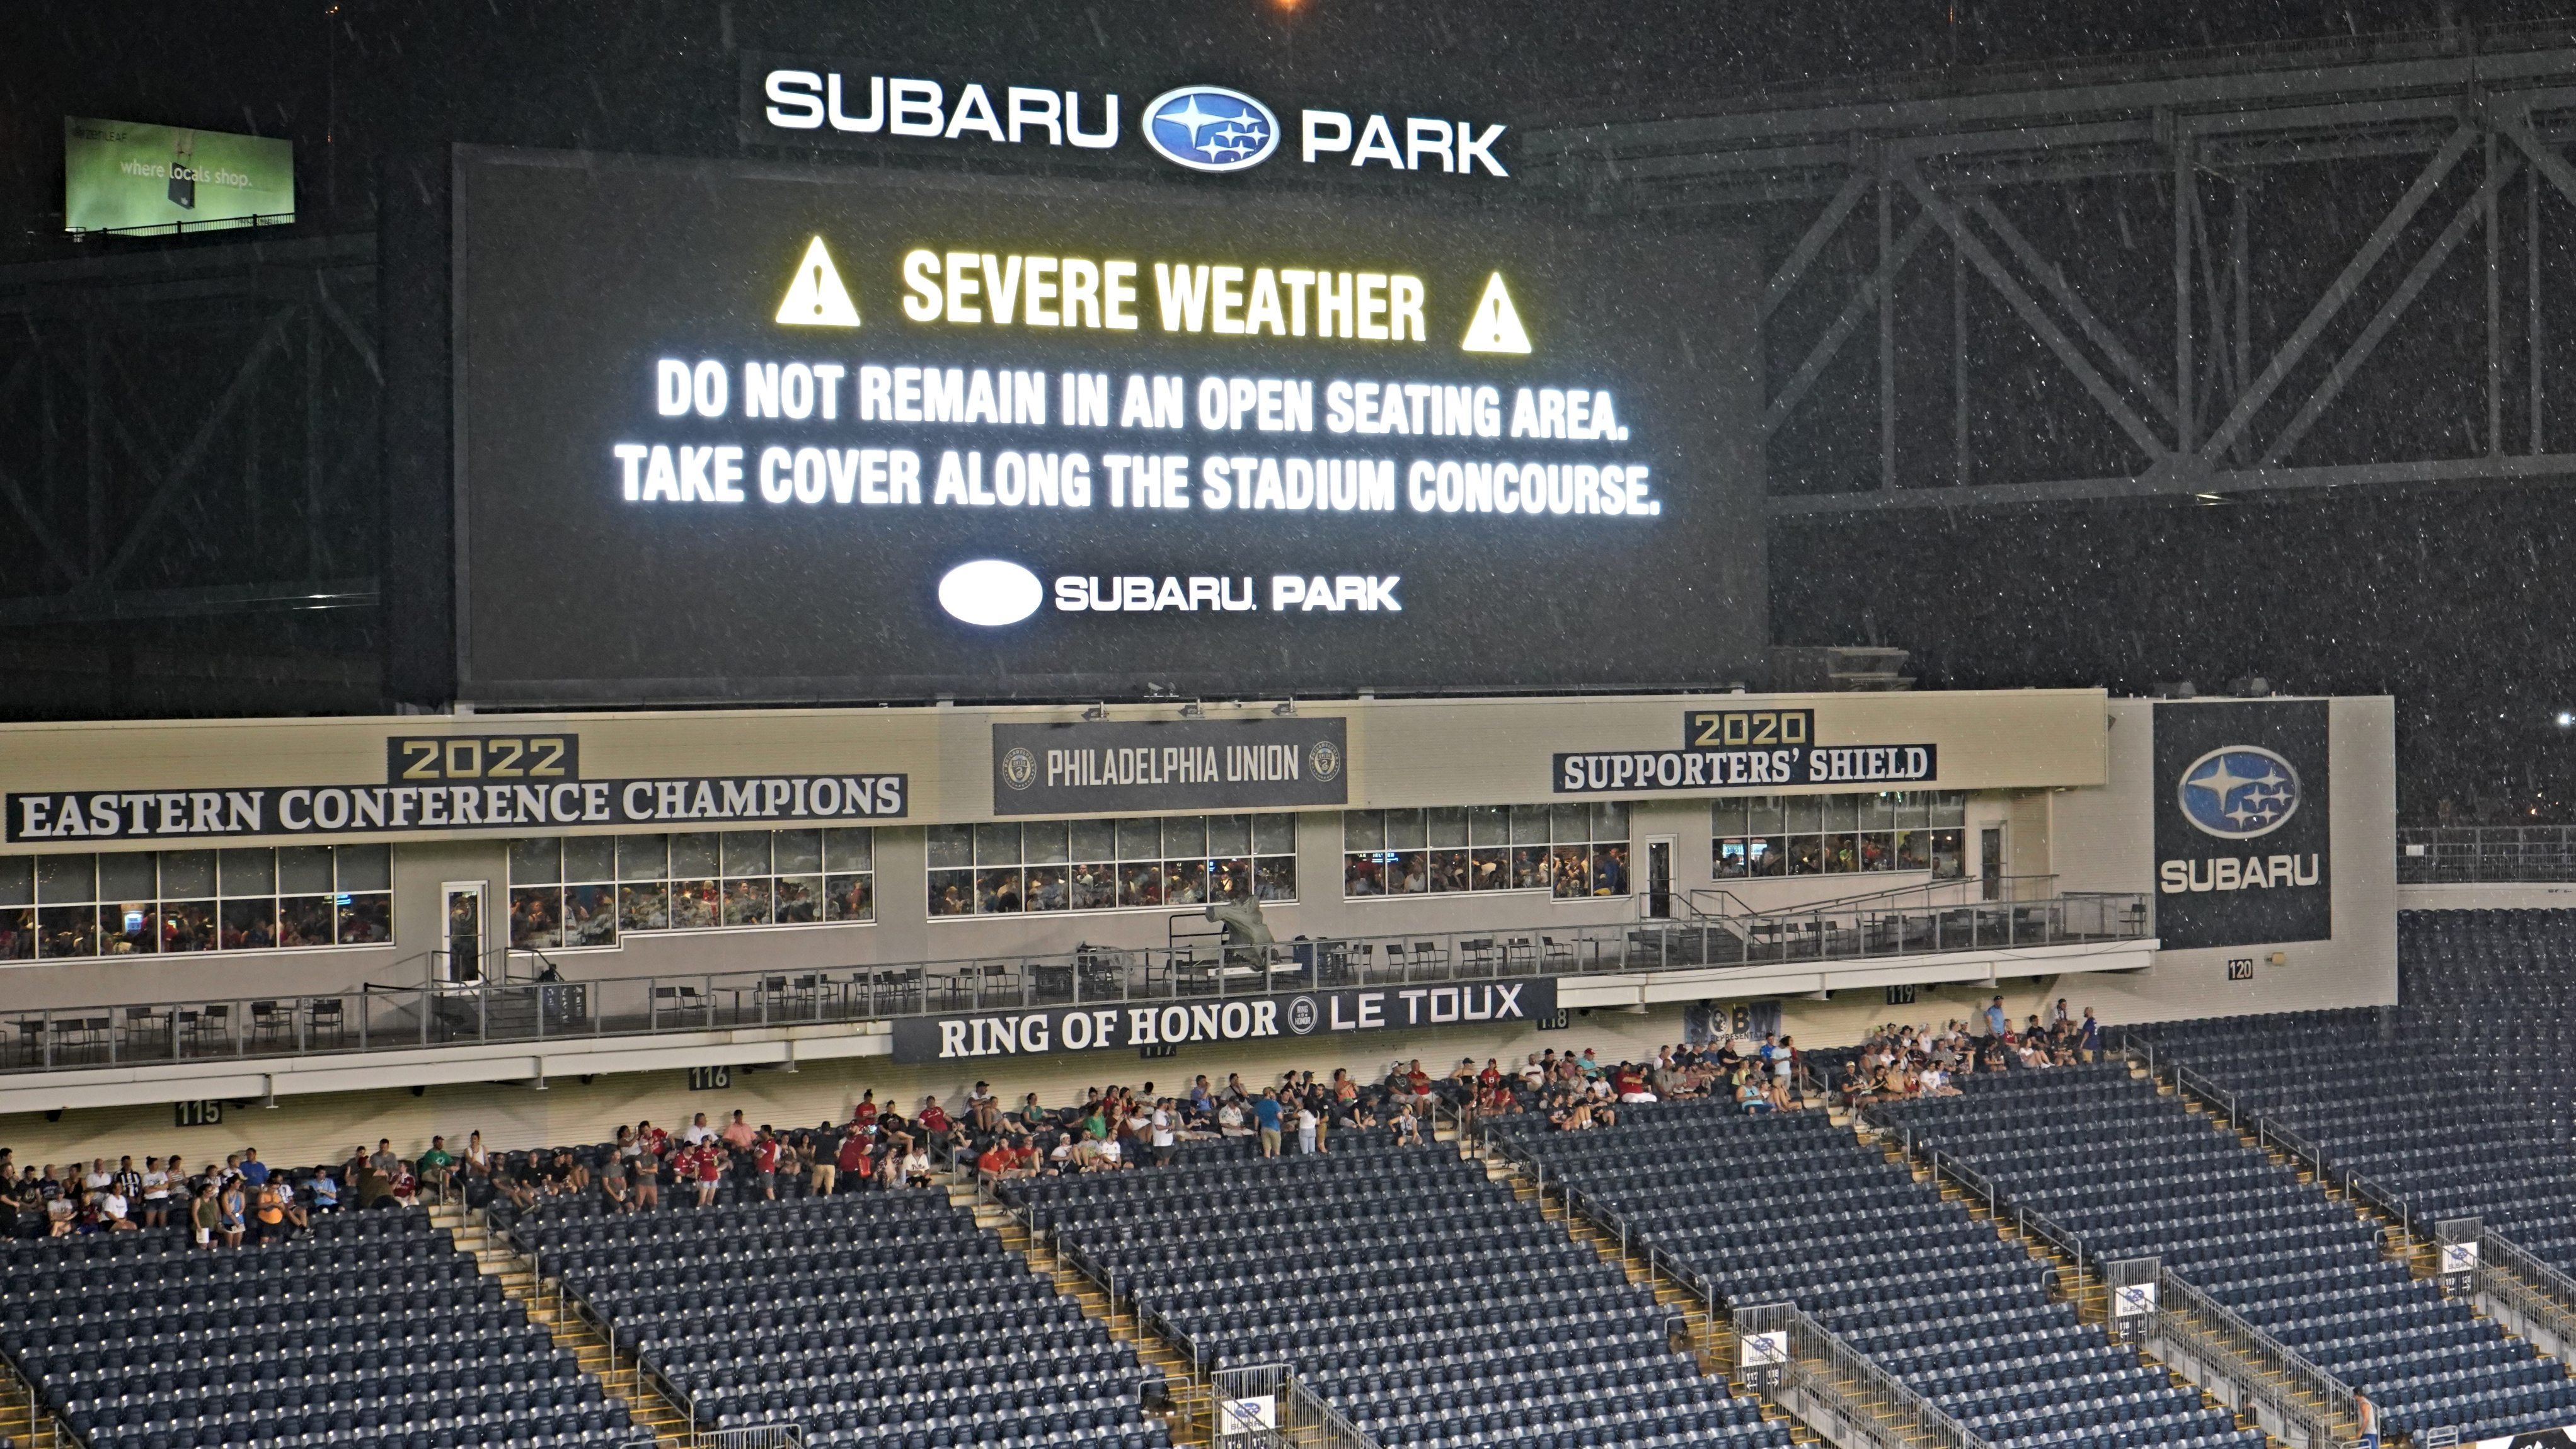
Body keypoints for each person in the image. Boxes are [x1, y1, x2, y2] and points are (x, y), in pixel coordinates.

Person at [1253, 1090, 1284, 1159]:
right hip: (1274, 1128)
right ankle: (1277, 1165)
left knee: (1267, 1150)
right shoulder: (1274, 1103)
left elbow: (1256, 1119)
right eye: (1273, 1093)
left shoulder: (1258, 1104)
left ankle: (1267, 1166)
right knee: (1277, 1151)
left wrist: (1255, 1130)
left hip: (1264, 1129)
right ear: (1269, 1093)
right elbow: (1280, 1117)